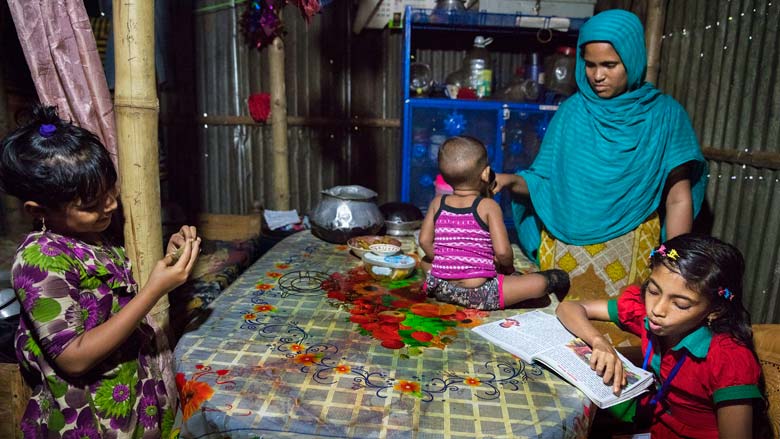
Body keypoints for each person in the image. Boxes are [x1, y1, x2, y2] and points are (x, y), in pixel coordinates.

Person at [0, 105, 202, 438]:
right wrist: (154, 290)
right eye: (91, 204)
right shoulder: (39, 260)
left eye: (110, 191)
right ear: (38, 211)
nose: (109, 205)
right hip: (91, 419)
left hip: (132, 399)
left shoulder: (92, 236)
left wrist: (168, 258)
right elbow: (73, 358)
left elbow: (115, 303)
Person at [494, 10, 708, 312]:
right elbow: (545, 183)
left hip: (629, 255)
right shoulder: (571, 113)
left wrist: (675, 265)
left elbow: (677, 198)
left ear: (632, 60)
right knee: (556, 339)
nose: (597, 76)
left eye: (610, 65)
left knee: (623, 342)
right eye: (590, 65)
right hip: (565, 253)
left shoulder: (664, 116)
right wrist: (510, 181)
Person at [556, 234, 768, 438]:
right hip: (655, 426)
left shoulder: (727, 359)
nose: (657, 309)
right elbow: (569, 308)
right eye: (654, 291)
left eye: (680, 304)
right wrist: (598, 341)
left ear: (715, 310)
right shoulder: (646, 314)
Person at [418, 136, 569, 310]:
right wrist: (508, 269)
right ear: (485, 173)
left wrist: (446, 263)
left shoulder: (437, 202)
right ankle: (543, 283)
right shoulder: (488, 206)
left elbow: (424, 241)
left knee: (425, 260)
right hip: (480, 292)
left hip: (441, 286)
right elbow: (503, 252)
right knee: (541, 282)